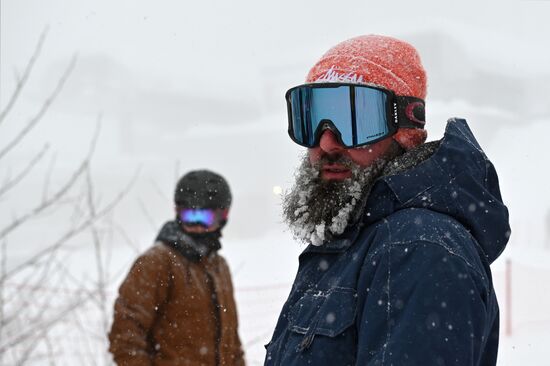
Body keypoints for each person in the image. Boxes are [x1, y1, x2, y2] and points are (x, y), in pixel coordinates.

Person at [264, 35, 510, 366]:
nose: (326, 141)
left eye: (354, 119)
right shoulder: (358, 242)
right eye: (312, 118)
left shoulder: (417, 249)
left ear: (407, 131)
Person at [109, 170, 245, 366]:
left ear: (223, 216)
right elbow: (126, 334)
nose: (197, 225)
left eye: (205, 217)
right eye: (190, 215)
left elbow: (231, 343)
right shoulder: (157, 262)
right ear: (177, 213)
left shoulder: (219, 266)